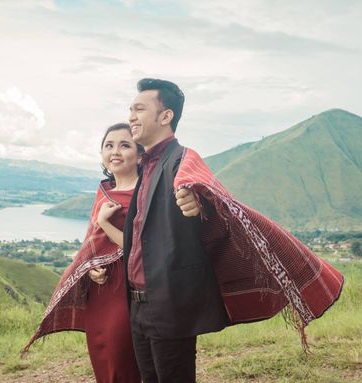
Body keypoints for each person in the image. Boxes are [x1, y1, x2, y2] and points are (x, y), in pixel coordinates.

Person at [123, 78, 344, 382]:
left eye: (139, 109)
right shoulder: (145, 166)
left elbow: (196, 183)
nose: (131, 116)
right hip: (137, 305)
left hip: (169, 303)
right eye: (130, 110)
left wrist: (196, 200)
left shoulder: (181, 158)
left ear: (165, 116)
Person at [22, 123, 142, 383]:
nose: (115, 151)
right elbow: (92, 244)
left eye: (125, 145)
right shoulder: (104, 192)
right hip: (100, 291)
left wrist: (106, 224)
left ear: (140, 154)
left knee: (122, 358)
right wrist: (91, 268)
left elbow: (141, 247)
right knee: (103, 356)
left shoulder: (144, 194)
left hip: (129, 289)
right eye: (109, 145)